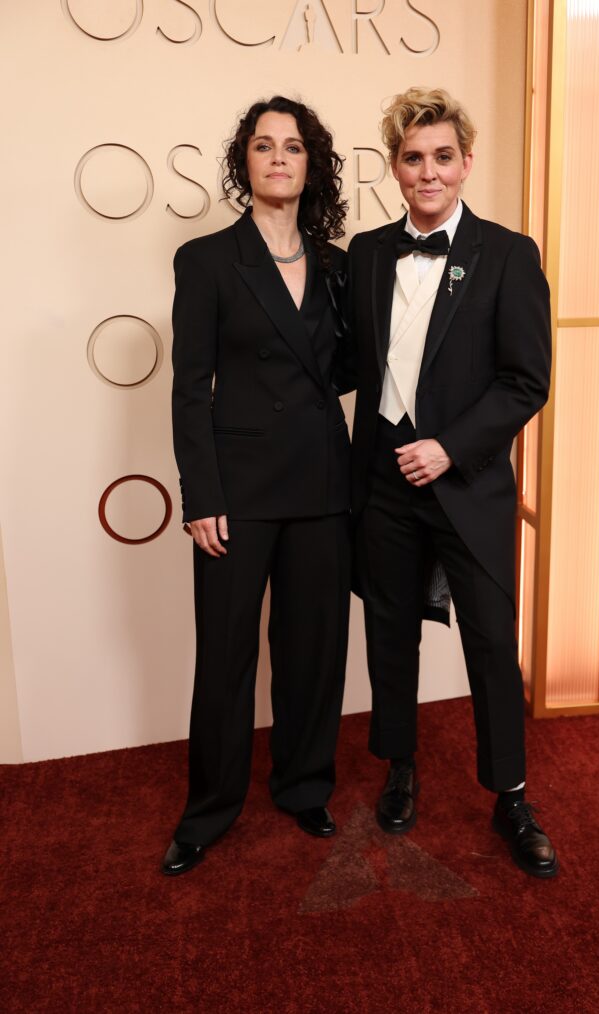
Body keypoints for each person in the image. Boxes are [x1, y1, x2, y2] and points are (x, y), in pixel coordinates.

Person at [347, 87, 558, 877]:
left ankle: (511, 796)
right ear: (395, 167)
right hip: (383, 482)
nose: (428, 172)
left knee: (492, 642)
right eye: (413, 158)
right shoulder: (366, 253)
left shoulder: (509, 254)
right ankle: (400, 766)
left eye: (442, 156)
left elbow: (525, 380)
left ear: (467, 162)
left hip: (467, 484)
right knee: (389, 634)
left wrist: (450, 448)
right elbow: (346, 362)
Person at [163, 96, 351, 876]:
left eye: (293, 146)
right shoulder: (207, 259)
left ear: (312, 164)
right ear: (244, 161)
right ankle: (209, 810)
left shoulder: (338, 265)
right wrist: (201, 496)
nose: (279, 157)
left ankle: (305, 786)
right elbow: (190, 388)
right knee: (226, 656)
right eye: (264, 145)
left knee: (314, 652)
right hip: (236, 493)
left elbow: (349, 370)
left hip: (322, 482)